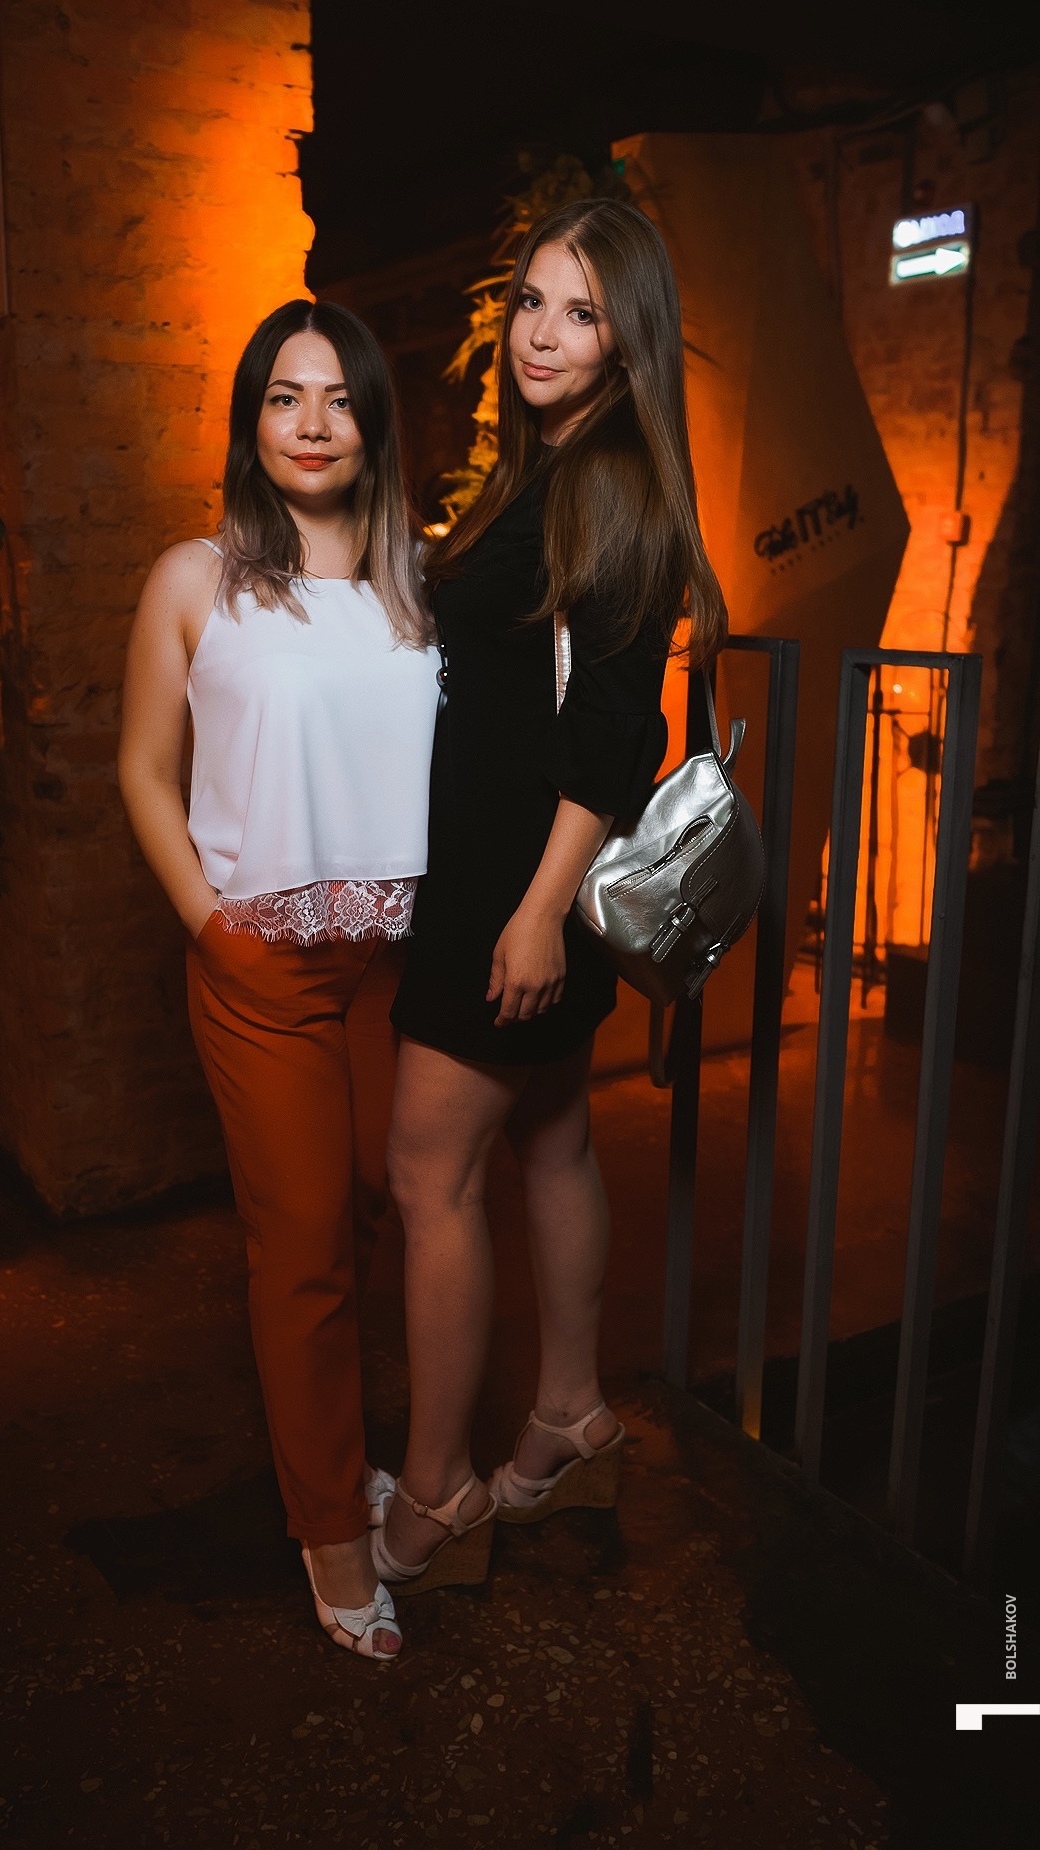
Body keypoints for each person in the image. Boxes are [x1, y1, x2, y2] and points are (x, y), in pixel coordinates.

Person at [372, 197, 728, 1593]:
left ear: (627, 339)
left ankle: (439, 1494)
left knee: (428, 1173)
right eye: (530, 300)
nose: (541, 333)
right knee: (554, 1139)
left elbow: (614, 728)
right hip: (516, 876)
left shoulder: (614, 480)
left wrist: (532, 912)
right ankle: (571, 1418)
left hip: (519, 888)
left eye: (581, 313)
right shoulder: (550, 466)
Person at [118, 299, 440, 1658]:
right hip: (261, 963)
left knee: (374, 1212)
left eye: (340, 399)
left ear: (374, 423)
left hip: (392, 958)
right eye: (284, 397)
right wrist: (210, 925)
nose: (313, 425)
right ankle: (326, 1527)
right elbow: (144, 771)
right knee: (301, 1244)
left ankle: (341, 1450)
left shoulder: (413, 583)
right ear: (251, 421)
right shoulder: (195, 579)